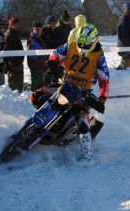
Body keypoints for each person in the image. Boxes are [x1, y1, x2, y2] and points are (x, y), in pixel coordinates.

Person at [46, 23, 110, 160]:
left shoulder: (98, 55)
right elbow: (55, 54)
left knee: (83, 119)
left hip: (83, 91)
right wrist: (53, 62)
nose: (82, 47)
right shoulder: (70, 45)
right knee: (40, 96)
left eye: (86, 45)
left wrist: (102, 98)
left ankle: (87, 155)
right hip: (65, 83)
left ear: (94, 41)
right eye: (80, 43)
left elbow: (105, 80)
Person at [3, 17, 24, 93]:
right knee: (14, 87)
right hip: (13, 66)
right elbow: (6, 52)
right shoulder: (9, 35)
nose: (18, 25)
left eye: (18, 24)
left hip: (17, 64)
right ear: (11, 25)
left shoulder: (15, 34)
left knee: (19, 86)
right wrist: (10, 64)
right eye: (16, 24)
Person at [27, 21, 47, 91]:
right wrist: (41, 57)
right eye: (37, 29)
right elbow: (31, 53)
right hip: (35, 64)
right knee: (36, 83)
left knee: (40, 82)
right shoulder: (31, 38)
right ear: (33, 29)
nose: (39, 31)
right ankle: (34, 96)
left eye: (40, 29)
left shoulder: (39, 37)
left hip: (40, 64)